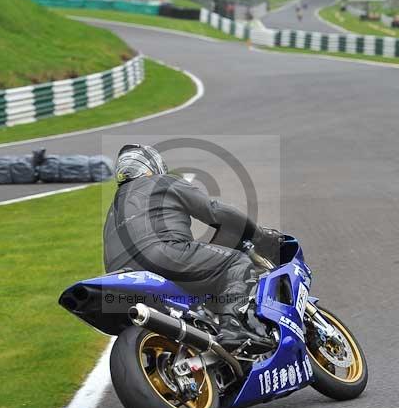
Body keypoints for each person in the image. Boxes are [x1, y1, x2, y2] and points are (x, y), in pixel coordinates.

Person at [103, 144, 283, 350]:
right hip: (163, 256)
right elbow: (214, 211)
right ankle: (235, 327)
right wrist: (260, 235)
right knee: (236, 262)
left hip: (120, 277)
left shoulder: (113, 209)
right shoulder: (161, 182)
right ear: (153, 165)